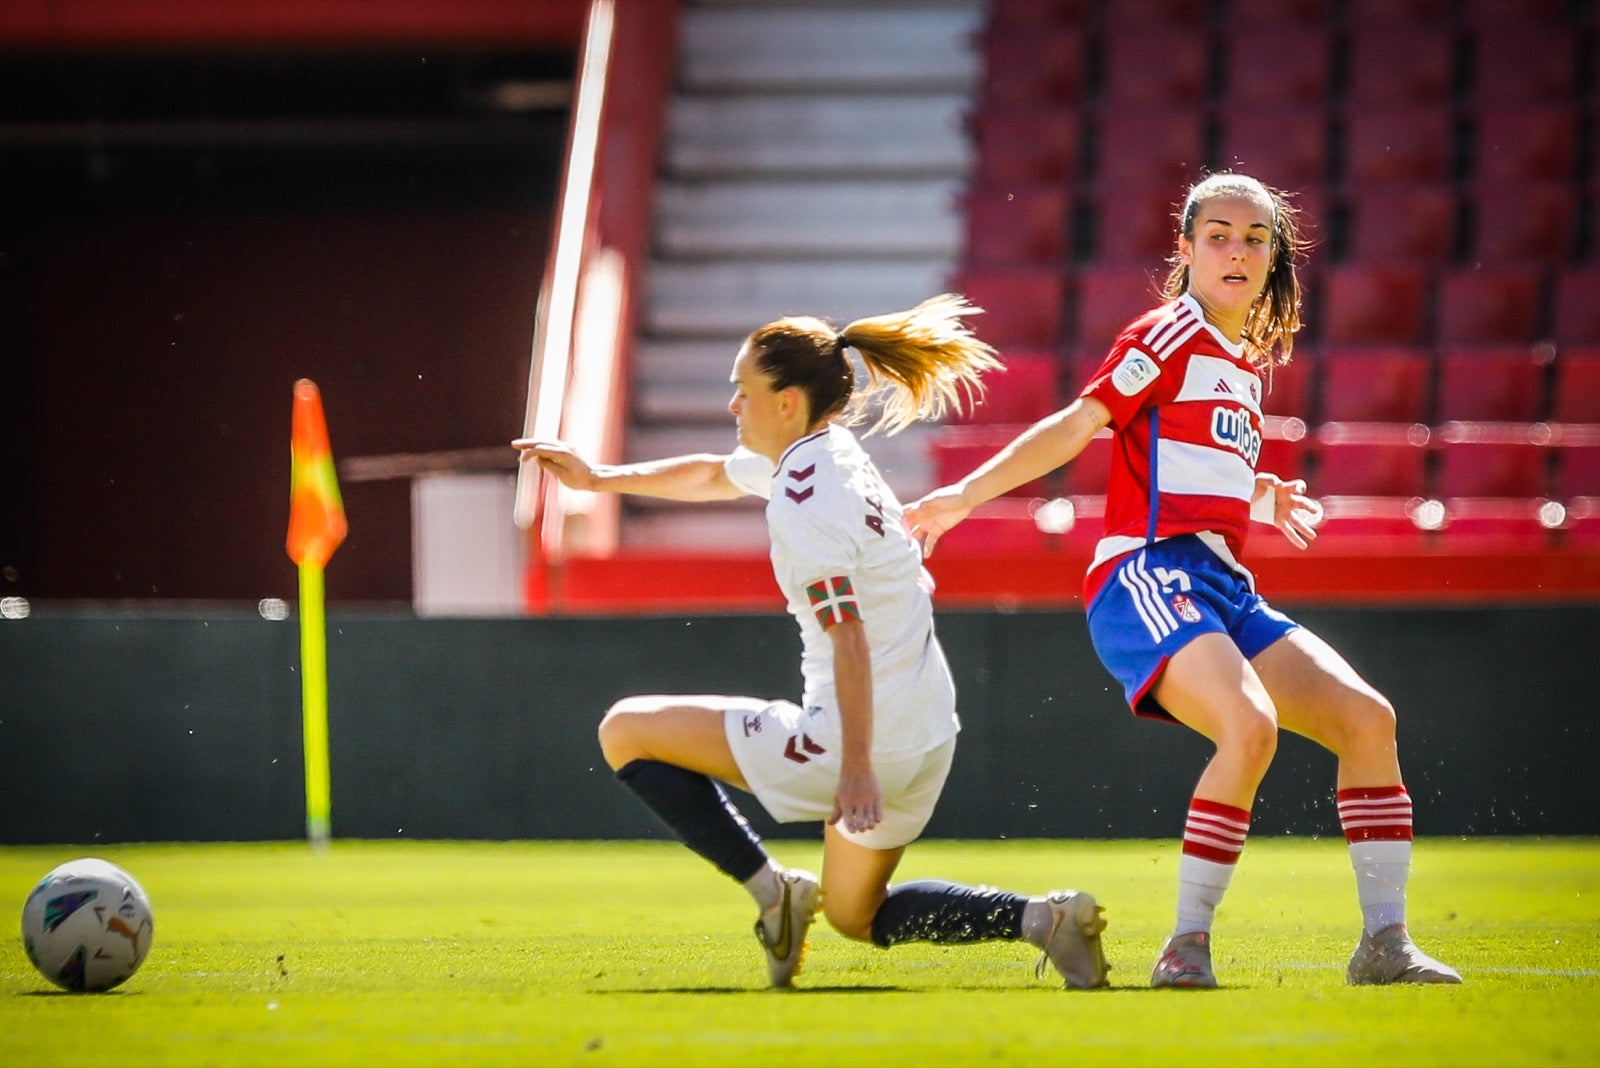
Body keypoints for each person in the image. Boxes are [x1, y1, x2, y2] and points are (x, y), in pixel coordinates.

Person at [904, 173, 1462, 989]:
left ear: (1276, 258)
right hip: (1147, 569)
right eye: (1219, 235)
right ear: (1187, 249)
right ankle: (1186, 945)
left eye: (1255, 238)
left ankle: (1385, 945)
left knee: (1368, 721)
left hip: (1221, 581)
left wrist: (1260, 492)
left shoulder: (1243, 362)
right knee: (1250, 727)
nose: (1237, 250)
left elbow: (1190, 459)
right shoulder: (1169, 334)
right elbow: (1079, 423)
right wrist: (963, 495)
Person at [514, 294, 1109, 990]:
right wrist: (599, 478)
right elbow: (711, 473)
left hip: (860, 744)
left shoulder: (806, 507)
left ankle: (772, 890)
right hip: (926, 734)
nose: (734, 406)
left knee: (624, 731)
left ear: (788, 402)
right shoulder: (828, 457)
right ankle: (1047, 921)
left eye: (744, 392)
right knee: (857, 915)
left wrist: (853, 766)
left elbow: (847, 637)